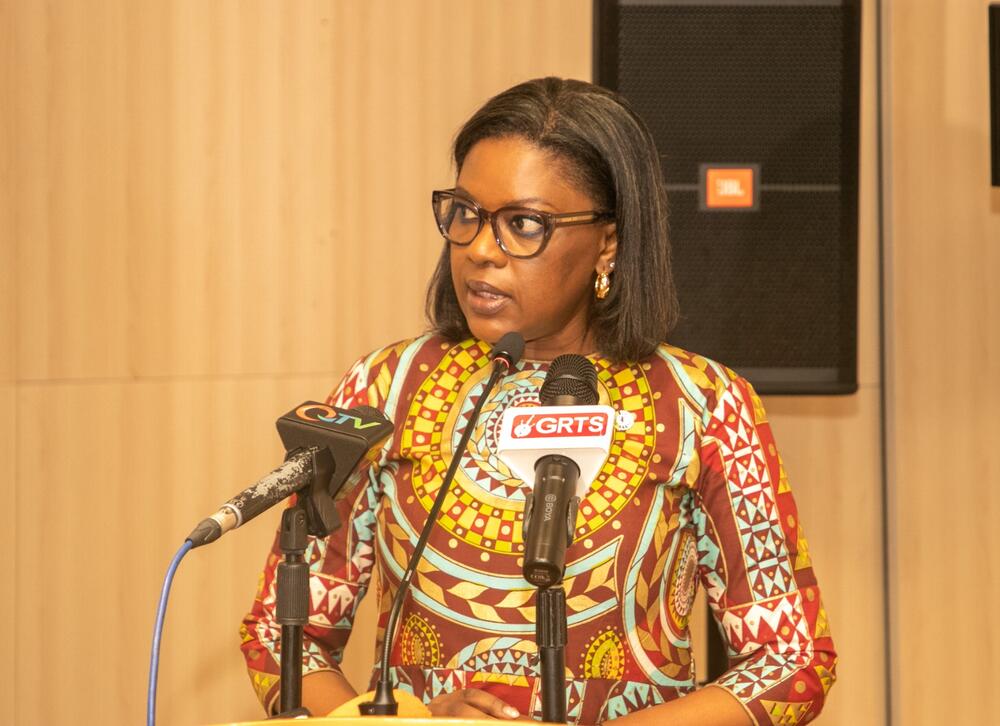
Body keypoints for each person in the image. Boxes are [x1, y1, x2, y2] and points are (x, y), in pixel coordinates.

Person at [241, 77, 836, 725]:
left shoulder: (704, 407)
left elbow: (794, 661)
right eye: (466, 213)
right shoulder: (387, 388)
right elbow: (280, 634)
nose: (480, 250)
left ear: (608, 241)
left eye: (523, 225)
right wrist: (400, 724)